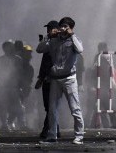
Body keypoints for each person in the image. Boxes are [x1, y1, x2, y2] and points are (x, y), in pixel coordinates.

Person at [36, 16, 84, 145]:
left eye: (65, 27)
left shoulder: (74, 39)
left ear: (70, 28)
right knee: (52, 109)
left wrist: (72, 35)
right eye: (61, 26)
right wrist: (48, 37)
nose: (62, 29)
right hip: (55, 79)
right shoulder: (53, 41)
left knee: (75, 109)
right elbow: (39, 49)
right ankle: (52, 135)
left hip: (69, 79)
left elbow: (80, 50)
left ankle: (79, 136)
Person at [36, 20, 60, 139]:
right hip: (46, 78)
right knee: (48, 106)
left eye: (51, 29)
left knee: (51, 106)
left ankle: (47, 130)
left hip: (55, 79)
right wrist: (40, 78)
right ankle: (56, 128)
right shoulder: (48, 42)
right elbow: (41, 54)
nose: (48, 31)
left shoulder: (60, 41)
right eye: (48, 29)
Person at [0, 40, 22, 130]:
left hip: (14, 87)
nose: (9, 49)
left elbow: (21, 74)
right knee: (3, 106)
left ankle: (11, 122)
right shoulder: (0, 60)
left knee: (17, 106)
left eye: (11, 47)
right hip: (3, 86)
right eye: (7, 47)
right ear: (4, 49)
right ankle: (4, 124)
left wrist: (21, 86)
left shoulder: (18, 59)